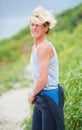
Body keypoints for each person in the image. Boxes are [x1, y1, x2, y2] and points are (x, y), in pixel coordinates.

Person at [28, 6, 64, 130]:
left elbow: (43, 80)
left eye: (38, 25)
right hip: (41, 97)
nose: (34, 28)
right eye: (32, 24)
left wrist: (32, 94)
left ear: (46, 27)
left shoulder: (44, 47)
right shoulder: (35, 47)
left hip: (50, 97)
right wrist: (35, 94)